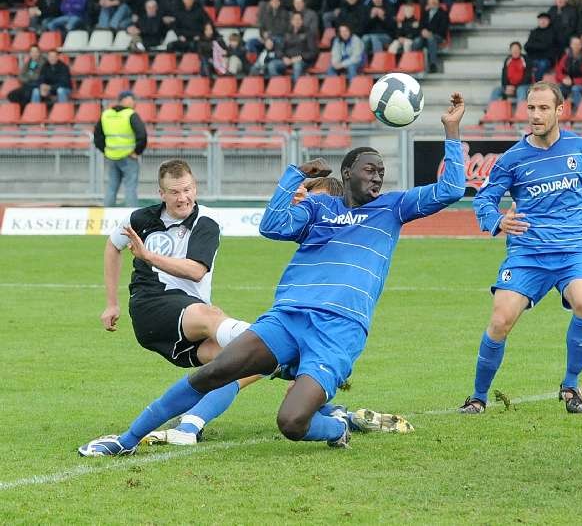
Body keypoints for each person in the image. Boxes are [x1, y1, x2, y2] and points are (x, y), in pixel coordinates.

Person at [77, 93, 467, 456]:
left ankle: (335, 427)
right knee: (217, 369)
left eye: (382, 172)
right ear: (347, 173)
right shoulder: (319, 209)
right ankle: (126, 440)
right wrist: (293, 175)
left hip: (339, 330)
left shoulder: (393, 208)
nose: (379, 177)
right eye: (370, 170)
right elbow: (272, 225)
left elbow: (452, 189)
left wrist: (451, 132)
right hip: (288, 316)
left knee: (292, 422)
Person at [458, 82, 582, 416]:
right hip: (527, 253)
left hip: (574, 249)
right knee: (500, 319)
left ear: (560, 110)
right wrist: (496, 221)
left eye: (543, 108)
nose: (535, 115)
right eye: (531, 108)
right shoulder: (512, 159)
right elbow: (484, 199)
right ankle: (477, 397)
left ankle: (571, 385)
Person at [91, 158, 260, 446]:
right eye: (174, 192)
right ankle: (273, 337)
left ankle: (192, 422)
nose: (183, 198)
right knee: (216, 318)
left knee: (250, 362)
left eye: (187, 190)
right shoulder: (141, 219)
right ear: (161, 194)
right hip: (151, 307)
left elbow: (196, 270)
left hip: (185, 322)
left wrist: (149, 255)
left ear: (195, 187)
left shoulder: (206, 221)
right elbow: (112, 245)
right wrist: (111, 302)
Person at [95, 90, 147, 208]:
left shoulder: (106, 114)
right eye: (132, 99)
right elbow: (142, 135)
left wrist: (106, 151)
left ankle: (107, 214)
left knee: (111, 187)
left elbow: (97, 136)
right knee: (130, 188)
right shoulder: (130, 114)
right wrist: (137, 151)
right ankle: (132, 218)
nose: (134, 102)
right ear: (126, 100)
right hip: (129, 157)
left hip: (112, 156)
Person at [412, 0, 449, 73]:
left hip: (439, 37)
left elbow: (443, 29)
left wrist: (430, 33)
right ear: (428, 2)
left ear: (438, 1)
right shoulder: (425, 13)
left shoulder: (443, 13)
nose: (432, 1)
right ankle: (415, 64)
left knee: (431, 39)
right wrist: (422, 31)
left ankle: (433, 65)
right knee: (416, 41)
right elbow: (420, 27)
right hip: (425, 36)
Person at [555, 35, 582, 108]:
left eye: (578, 44)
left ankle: (579, 110)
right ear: (571, 45)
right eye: (574, 44)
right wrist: (564, 79)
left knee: (575, 89)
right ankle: (560, 112)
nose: (576, 46)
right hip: (568, 83)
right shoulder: (565, 57)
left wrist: (573, 81)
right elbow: (558, 71)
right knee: (558, 89)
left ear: (581, 46)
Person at [489, 41, 532, 106]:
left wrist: (515, 87)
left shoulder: (526, 59)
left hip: (524, 85)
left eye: (517, 49)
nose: (515, 51)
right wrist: (506, 86)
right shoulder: (508, 60)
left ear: (520, 50)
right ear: (510, 51)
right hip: (510, 87)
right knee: (496, 90)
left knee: (521, 90)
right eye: (513, 49)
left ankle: (520, 112)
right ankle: (490, 109)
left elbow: (528, 77)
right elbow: (504, 76)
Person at [524, 12, 559, 81]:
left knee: (542, 64)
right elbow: (526, 46)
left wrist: (534, 45)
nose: (543, 21)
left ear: (549, 21)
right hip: (533, 58)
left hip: (546, 59)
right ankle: (525, 83)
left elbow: (546, 46)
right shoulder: (534, 32)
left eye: (545, 20)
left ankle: (537, 83)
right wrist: (539, 46)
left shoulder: (553, 32)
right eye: (541, 19)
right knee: (523, 63)